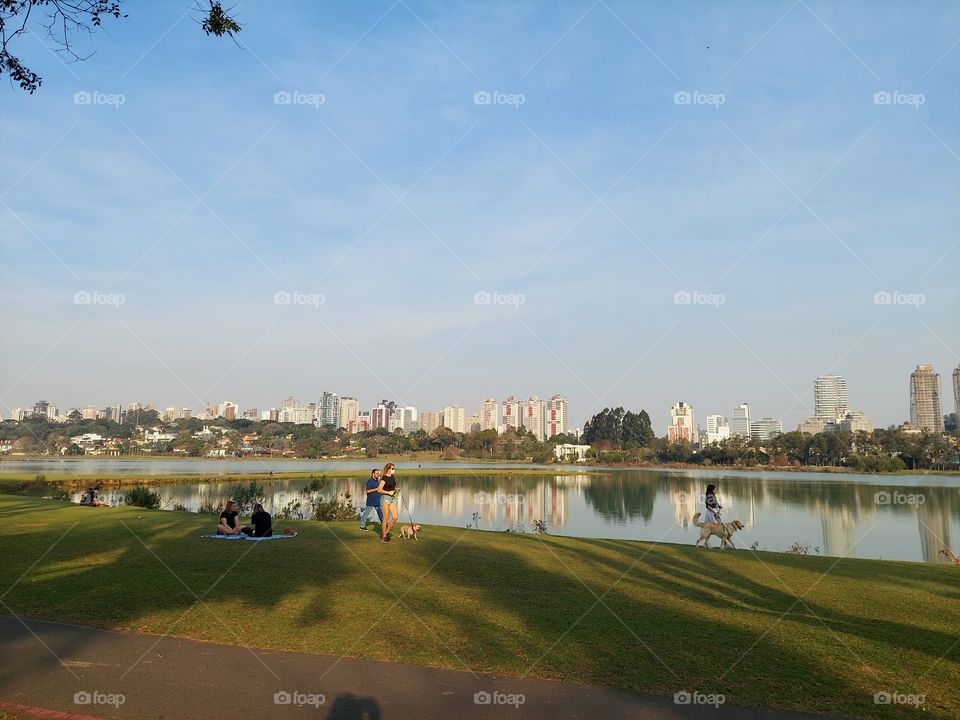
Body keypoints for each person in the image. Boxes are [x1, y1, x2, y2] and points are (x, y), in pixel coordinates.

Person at [377, 462, 399, 543]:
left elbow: (392, 486)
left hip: (392, 498)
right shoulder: (384, 478)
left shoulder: (392, 477)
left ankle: (386, 532)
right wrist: (388, 492)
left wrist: (395, 489)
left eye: (394, 468)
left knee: (395, 517)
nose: (394, 470)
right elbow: (379, 490)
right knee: (385, 519)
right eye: (392, 468)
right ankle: (384, 536)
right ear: (388, 469)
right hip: (385, 498)